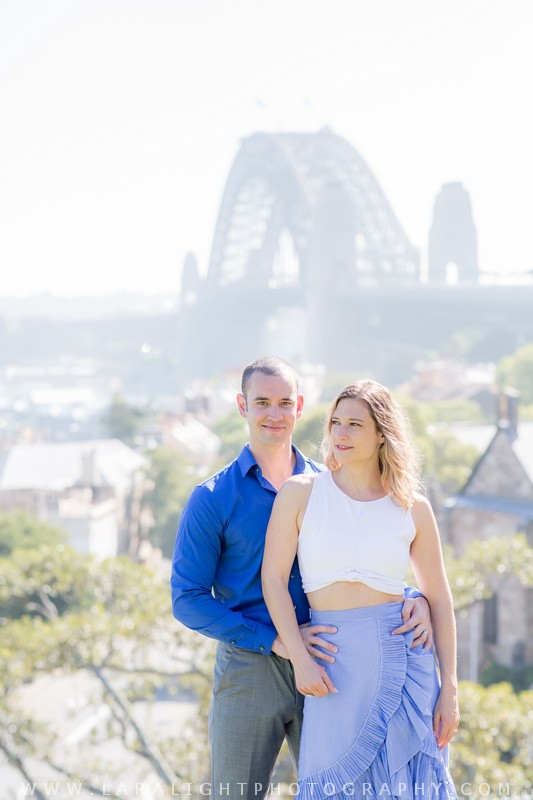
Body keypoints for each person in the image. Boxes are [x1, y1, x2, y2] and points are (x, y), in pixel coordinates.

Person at [171, 358, 434, 800]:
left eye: (284, 403)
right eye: (262, 402)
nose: (274, 413)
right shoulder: (213, 498)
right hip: (251, 669)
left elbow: (362, 560)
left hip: (335, 662)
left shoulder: (330, 484)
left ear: (300, 408)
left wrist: (415, 598)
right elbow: (187, 599)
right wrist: (273, 640)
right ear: (242, 406)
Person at [262, 379, 459, 800]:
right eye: (335, 423)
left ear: (382, 433)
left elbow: (439, 598)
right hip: (332, 664)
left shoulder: (413, 507)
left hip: (407, 662)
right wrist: (300, 658)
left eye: (355, 424)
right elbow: (274, 580)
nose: (340, 434)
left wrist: (451, 689)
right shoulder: (300, 493)